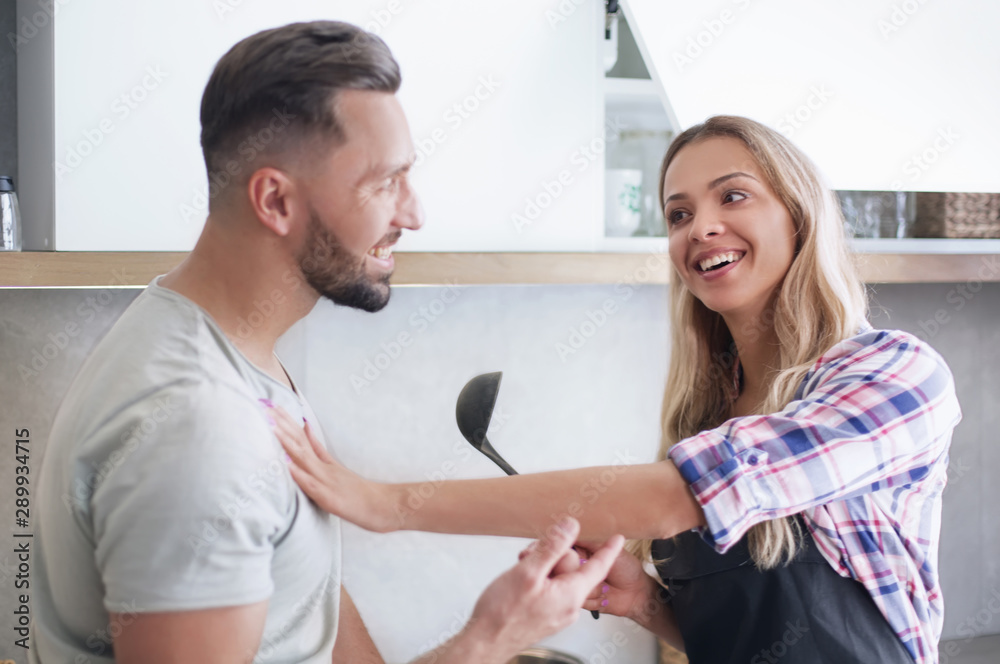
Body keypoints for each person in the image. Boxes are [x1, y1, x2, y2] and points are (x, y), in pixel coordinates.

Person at [31, 21, 624, 664]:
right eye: (384, 182)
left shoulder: (231, 349)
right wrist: (491, 637)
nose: (414, 213)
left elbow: (300, 600)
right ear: (276, 201)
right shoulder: (199, 428)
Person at [273, 116, 962, 664]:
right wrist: (644, 603)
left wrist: (386, 504)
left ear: (800, 217)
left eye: (733, 196)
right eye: (678, 214)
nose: (701, 227)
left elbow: (672, 498)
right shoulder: (709, 412)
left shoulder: (895, 375)